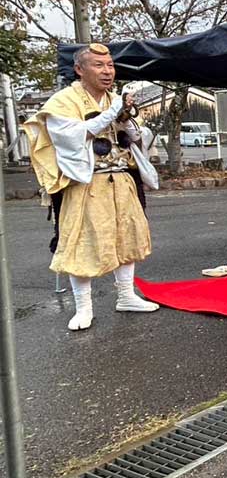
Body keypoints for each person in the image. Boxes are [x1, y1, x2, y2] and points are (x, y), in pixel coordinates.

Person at [23, 43, 160, 331]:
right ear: (79, 69)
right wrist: (113, 112)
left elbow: (135, 137)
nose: (107, 70)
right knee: (82, 242)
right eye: (99, 65)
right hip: (86, 182)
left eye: (109, 65)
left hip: (121, 177)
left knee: (128, 236)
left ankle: (126, 296)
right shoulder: (64, 101)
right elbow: (70, 137)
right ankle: (84, 307)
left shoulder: (115, 99)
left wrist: (129, 119)